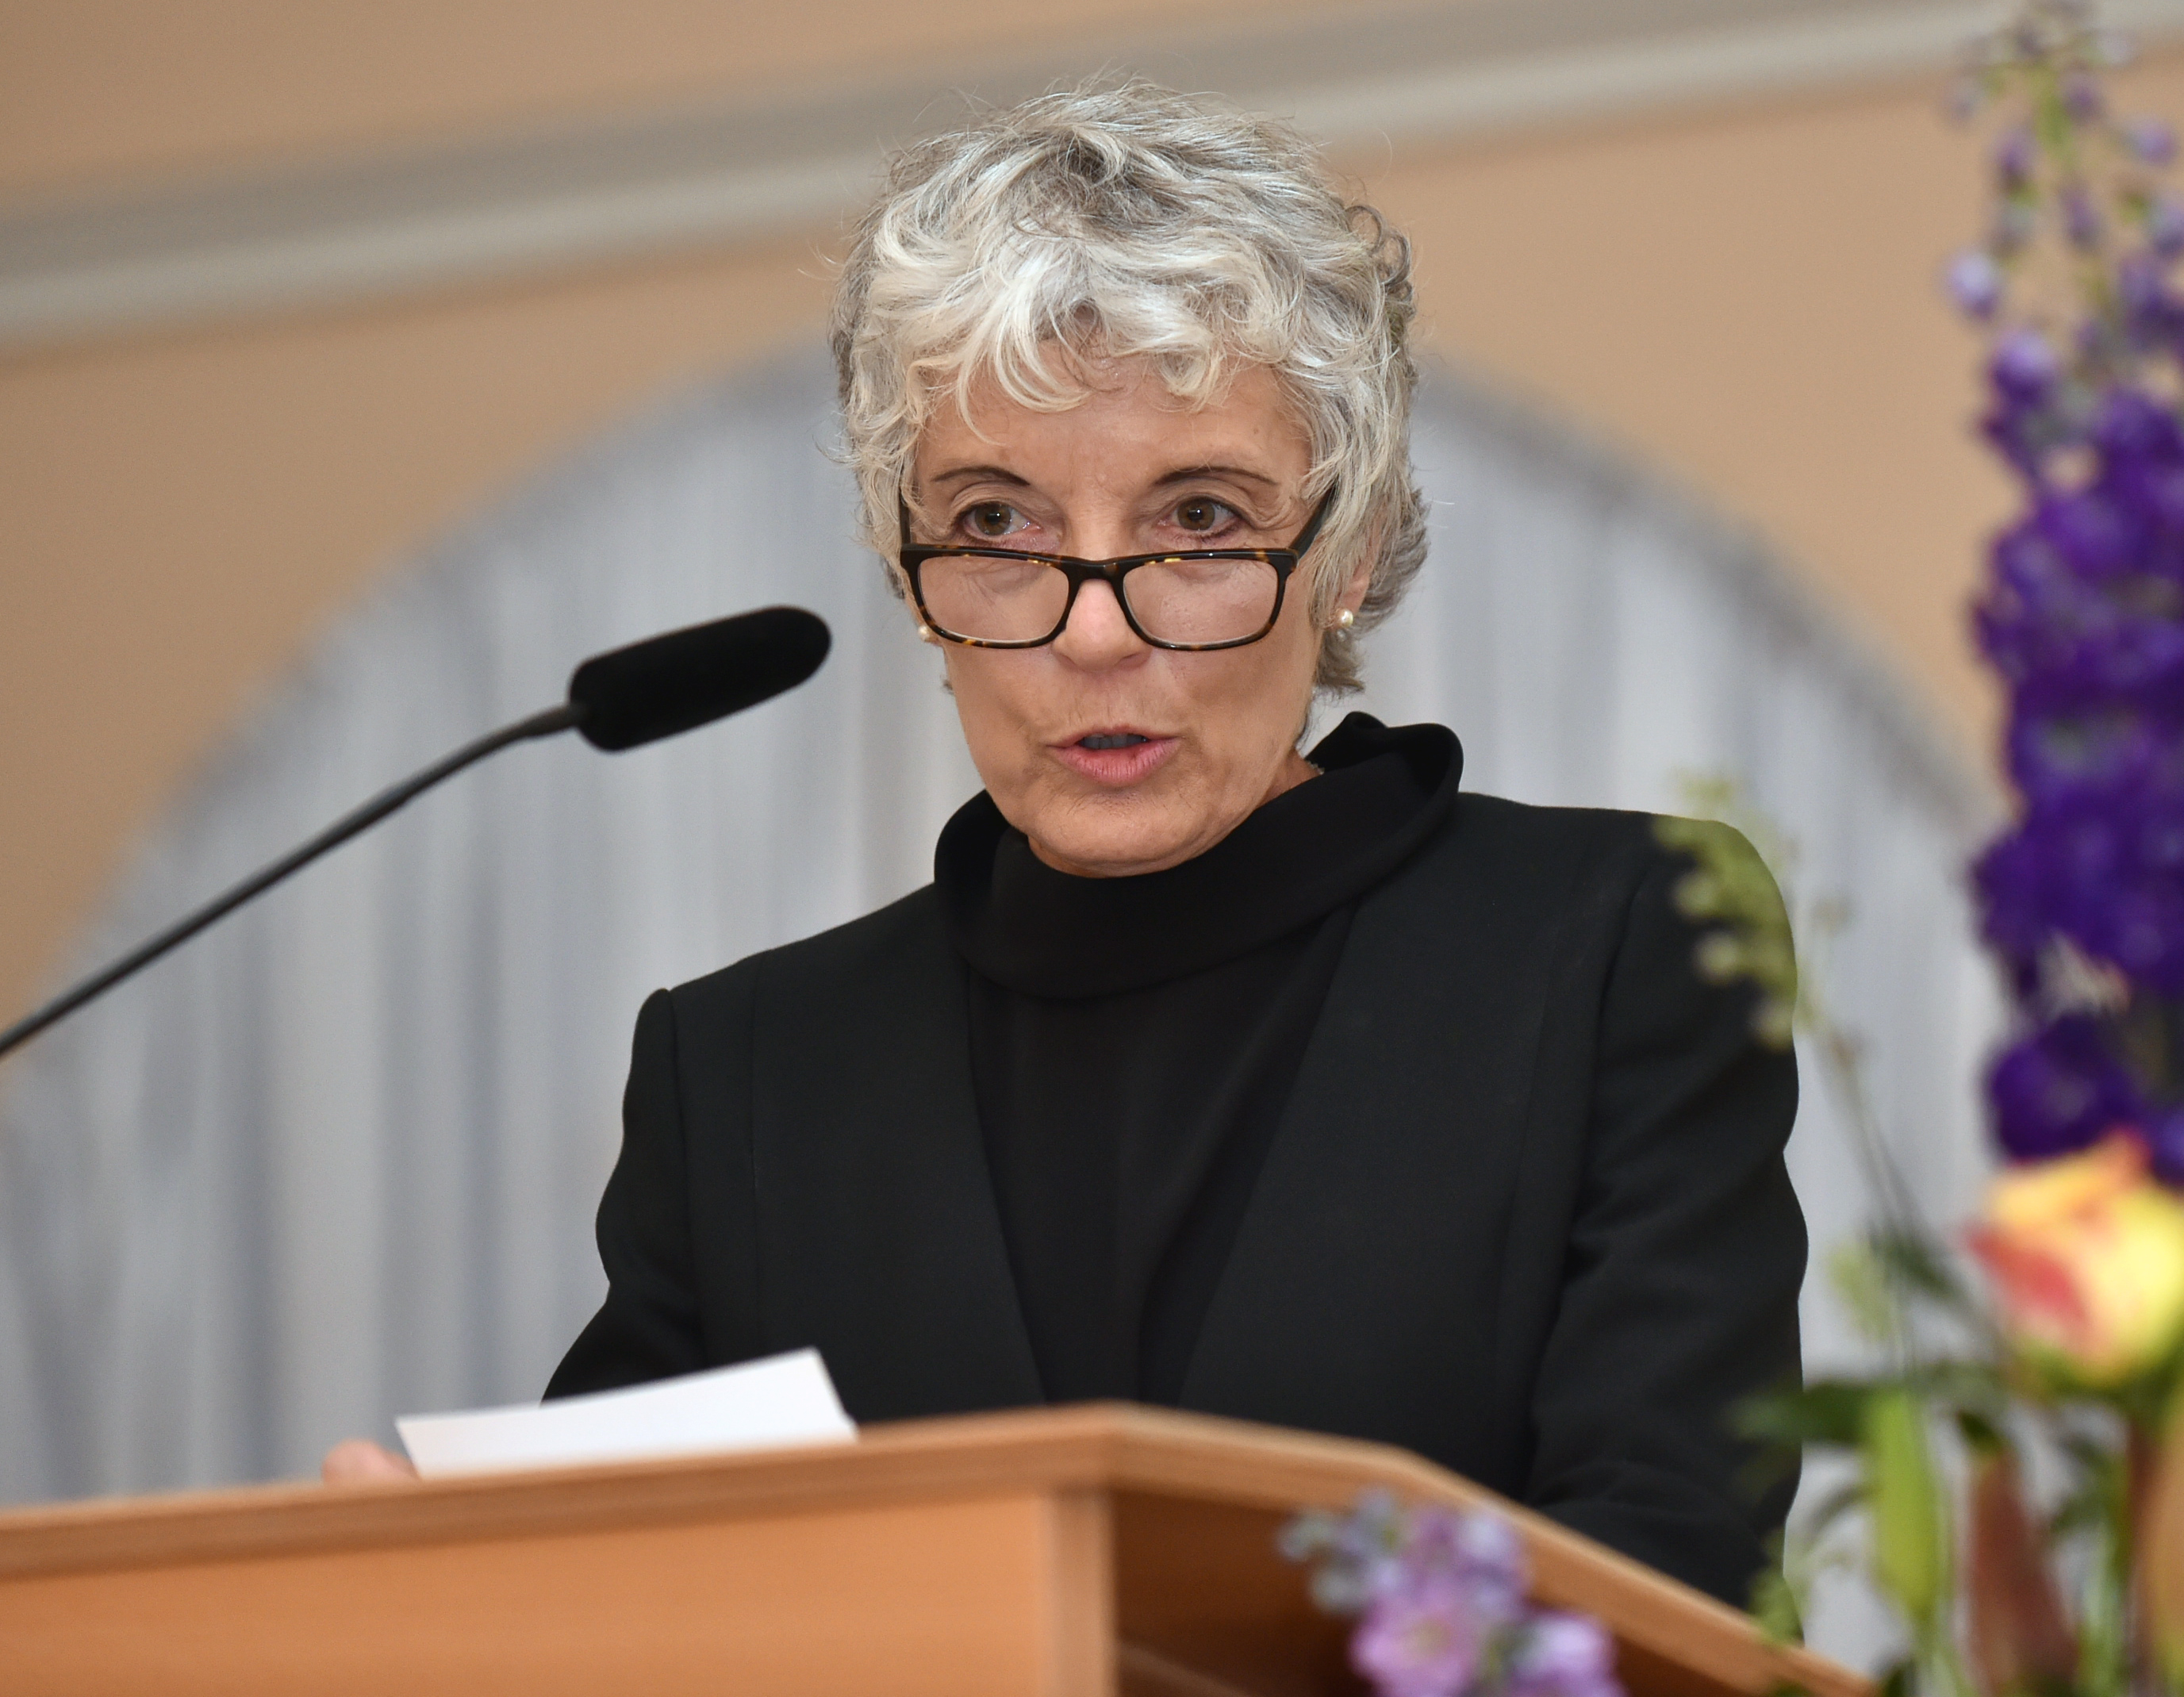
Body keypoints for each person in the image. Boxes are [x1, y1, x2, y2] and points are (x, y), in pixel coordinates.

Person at [326, 79, 1806, 1609]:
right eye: (997, 526)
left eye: (1202, 520)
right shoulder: (747, 1073)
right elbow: (625, 1597)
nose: (1096, 632)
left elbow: (1667, 1570)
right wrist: (451, 1597)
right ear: (907, 566)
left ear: (1349, 551)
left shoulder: (1616, 945)